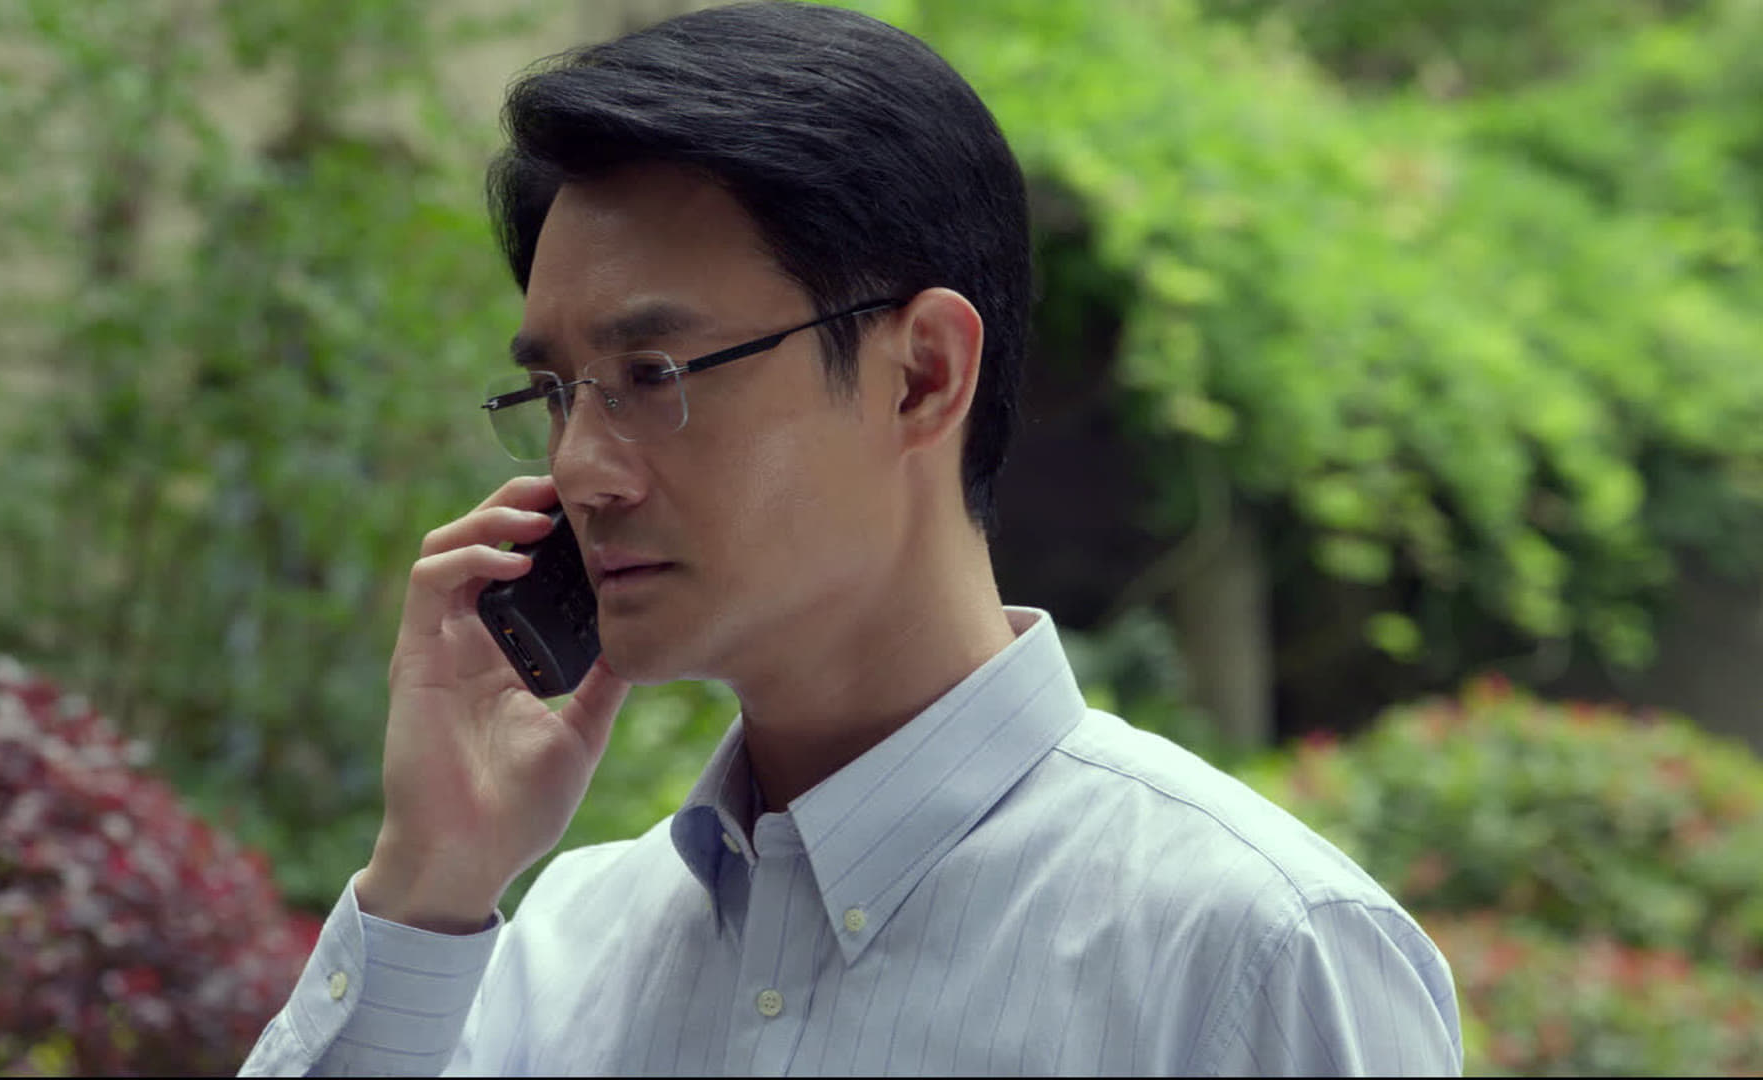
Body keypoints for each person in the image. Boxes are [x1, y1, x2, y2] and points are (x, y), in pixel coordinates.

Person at [239, 2, 1462, 1075]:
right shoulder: (560, 952)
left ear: (923, 375)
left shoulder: (1254, 952)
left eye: (653, 372)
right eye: (557, 391)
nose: (578, 470)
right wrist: (428, 882)